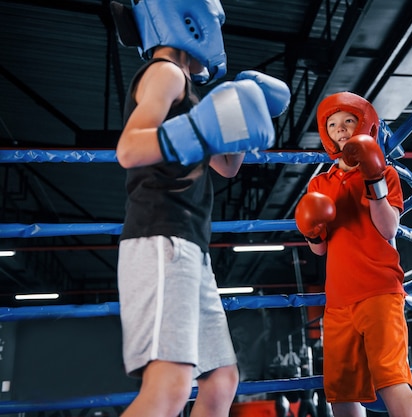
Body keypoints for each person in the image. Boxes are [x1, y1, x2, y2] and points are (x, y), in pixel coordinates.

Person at [110, 1, 290, 417]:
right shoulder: (166, 72)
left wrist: (245, 122)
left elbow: (225, 167)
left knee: (221, 381)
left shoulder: (192, 95)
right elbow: (129, 148)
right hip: (161, 237)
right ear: (188, 16)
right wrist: (202, 127)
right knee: (170, 388)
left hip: (190, 246)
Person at [294, 92, 412, 417]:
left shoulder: (386, 174)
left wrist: (374, 178)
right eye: (333, 124)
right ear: (326, 133)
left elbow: (388, 229)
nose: (340, 129)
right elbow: (320, 248)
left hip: (379, 290)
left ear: (363, 125)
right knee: (341, 392)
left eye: (348, 121)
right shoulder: (319, 185)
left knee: (393, 379)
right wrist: (311, 230)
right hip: (338, 300)